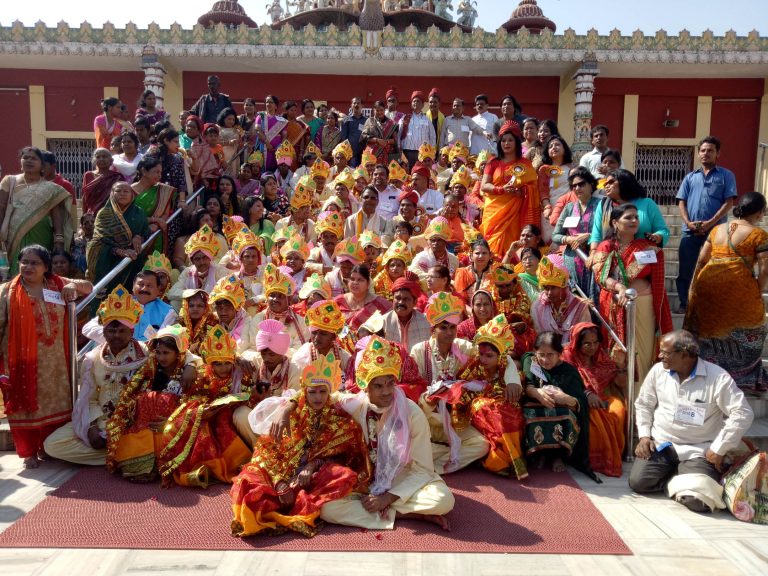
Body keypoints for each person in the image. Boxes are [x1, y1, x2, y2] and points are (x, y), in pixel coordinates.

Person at [318, 336, 455, 531]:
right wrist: (288, 407)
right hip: (365, 481)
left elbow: (423, 469)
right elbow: (320, 398)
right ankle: (409, 514)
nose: (386, 392)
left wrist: (386, 499)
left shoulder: (412, 413)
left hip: (404, 479)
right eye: (378, 386)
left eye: (390, 384)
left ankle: (382, 509)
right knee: (327, 509)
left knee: (443, 500)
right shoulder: (356, 405)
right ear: (366, 387)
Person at [231, 352, 370, 537]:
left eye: (322, 392)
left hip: (313, 480)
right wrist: (279, 483)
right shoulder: (291, 417)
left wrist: (313, 466)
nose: (318, 397)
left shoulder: (338, 420)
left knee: (343, 476)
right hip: (279, 475)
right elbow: (265, 452)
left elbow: (345, 458)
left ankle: (294, 502)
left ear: (329, 392)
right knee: (248, 480)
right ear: (304, 392)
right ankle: (282, 501)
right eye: (312, 392)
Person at [629, 330, 754, 513]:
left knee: (697, 502)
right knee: (638, 482)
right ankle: (680, 479)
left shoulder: (717, 377)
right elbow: (644, 404)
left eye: (666, 352)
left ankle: (687, 478)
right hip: (662, 444)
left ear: (685, 355)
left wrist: (719, 448)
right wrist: (644, 436)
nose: (660, 356)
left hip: (698, 450)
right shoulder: (658, 371)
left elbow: (742, 413)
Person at [0, 245, 92, 468]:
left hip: (56, 363)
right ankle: (29, 452)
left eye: (35, 263)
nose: (28, 267)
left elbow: (88, 287)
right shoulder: (6, 292)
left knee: (56, 405)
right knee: (25, 407)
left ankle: (48, 446)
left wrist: (72, 285)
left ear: (46, 267)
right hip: (22, 361)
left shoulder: (56, 283)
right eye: (24, 262)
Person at [43, 285, 147, 466]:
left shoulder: (146, 353)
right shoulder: (92, 359)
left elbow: (184, 355)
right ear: (104, 332)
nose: (116, 335)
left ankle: (121, 453)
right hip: (102, 420)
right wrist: (92, 427)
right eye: (111, 331)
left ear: (131, 332)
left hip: (135, 421)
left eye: (122, 331)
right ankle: (120, 455)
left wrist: (191, 366)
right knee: (52, 445)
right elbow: (89, 399)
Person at [685, 192, 768, 392]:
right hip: (738, 287)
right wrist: (758, 289)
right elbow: (765, 270)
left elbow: (702, 259)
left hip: (708, 283)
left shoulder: (717, 229)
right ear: (759, 212)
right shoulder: (759, 235)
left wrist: (694, 286)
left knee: (710, 329)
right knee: (753, 328)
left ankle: (708, 373)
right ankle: (740, 377)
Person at [157, 325, 253, 487]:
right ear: (210, 364)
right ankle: (209, 465)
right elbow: (191, 400)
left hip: (230, 418)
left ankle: (237, 461)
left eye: (227, 363)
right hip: (209, 417)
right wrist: (201, 411)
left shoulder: (240, 374)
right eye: (218, 364)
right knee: (204, 422)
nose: (223, 368)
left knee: (224, 418)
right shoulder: (202, 376)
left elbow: (248, 395)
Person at [592, 204, 673, 386]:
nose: (634, 220)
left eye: (636, 217)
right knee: (621, 352)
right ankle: (624, 398)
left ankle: (643, 395)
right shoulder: (606, 246)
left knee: (644, 350)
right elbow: (600, 276)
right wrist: (619, 287)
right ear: (615, 222)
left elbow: (656, 277)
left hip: (645, 305)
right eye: (628, 217)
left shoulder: (647, 247)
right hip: (616, 304)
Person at [106, 325, 200, 481]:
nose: (161, 357)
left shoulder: (191, 373)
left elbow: (196, 405)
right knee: (146, 399)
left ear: (178, 353)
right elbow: (129, 397)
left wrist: (173, 421)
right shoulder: (150, 369)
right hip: (148, 427)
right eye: (158, 352)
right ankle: (147, 460)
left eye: (166, 353)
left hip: (177, 427)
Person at [412, 292, 490, 473]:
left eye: (452, 327)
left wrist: (513, 381)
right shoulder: (419, 351)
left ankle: (434, 464)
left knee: (481, 445)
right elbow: (413, 390)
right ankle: (439, 454)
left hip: (455, 420)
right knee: (412, 448)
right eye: (443, 327)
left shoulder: (462, 347)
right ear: (433, 330)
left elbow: (493, 354)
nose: (449, 332)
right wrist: (430, 398)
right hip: (427, 420)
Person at [460, 314, 527, 478]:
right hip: (479, 405)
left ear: (500, 356)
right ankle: (498, 461)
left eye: (489, 356)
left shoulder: (506, 365)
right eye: (481, 354)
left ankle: (507, 459)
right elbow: (463, 386)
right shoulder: (474, 365)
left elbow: (515, 390)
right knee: (491, 413)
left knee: (511, 415)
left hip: (503, 403)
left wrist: (512, 387)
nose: (483, 359)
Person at [675, 136, 738, 314]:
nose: (706, 153)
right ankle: (685, 303)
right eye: (702, 150)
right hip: (690, 232)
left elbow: (729, 202)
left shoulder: (726, 176)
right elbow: (681, 202)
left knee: (712, 270)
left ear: (718, 154)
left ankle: (709, 305)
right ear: (698, 154)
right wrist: (688, 223)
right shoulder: (690, 178)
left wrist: (710, 222)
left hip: (715, 232)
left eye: (710, 150)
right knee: (686, 269)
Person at [522, 332, 595, 478]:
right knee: (527, 415)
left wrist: (565, 399)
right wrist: (537, 393)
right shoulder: (531, 361)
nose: (545, 360)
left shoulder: (569, 372)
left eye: (550, 355)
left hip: (562, 408)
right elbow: (528, 385)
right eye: (541, 354)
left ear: (560, 354)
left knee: (565, 416)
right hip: (536, 405)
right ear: (535, 352)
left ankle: (558, 456)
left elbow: (579, 402)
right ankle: (539, 453)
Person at [561, 322, 626, 478]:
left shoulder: (600, 356)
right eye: (587, 344)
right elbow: (566, 383)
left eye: (596, 342)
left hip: (601, 397)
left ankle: (616, 453)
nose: (592, 347)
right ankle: (595, 459)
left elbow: (620, 381)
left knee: (618, 408)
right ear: (577, 342)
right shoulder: (568, 356)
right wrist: (587, 395)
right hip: (577, 398)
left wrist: (620, 365)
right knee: (594, 417)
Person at [0, 146, 75, 276]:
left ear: (42, 165)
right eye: (25, 157)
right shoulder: (10, 181)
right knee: (15, 269)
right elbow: (1, 207)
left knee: (39, 267)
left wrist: (59, 239)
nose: (29, 160)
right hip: (12, 235)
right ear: (21, 162)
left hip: (42, 234)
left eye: (34, 158)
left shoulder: (51, 189)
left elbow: (56, 215)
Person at [479, 121, 539, 256]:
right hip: (494, 212)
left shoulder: (524, 163)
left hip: (515, 211)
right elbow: (484, 185)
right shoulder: (493, 162)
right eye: (503, 140)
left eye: (510, 140)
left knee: (512, 242)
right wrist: (502, 189)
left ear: (516, 142)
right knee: (491, 244)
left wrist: (522, 191)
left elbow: (533, 186)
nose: (506, 143)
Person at [86, 181, 150, 295]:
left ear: (132, 194)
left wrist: (139, 237)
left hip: (132, 261)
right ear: (112, 193)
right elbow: (100, 240)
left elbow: (146, 231)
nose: (122, 193)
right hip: (107, 260)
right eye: (118, 191)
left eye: (126, 191)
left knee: (129, 294)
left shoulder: (139, 213)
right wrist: (121, 252)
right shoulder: (104, 213)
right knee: (107, 297)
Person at [588, 169, 669, 253]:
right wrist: (593, 252)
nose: (606, 186)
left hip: (643, 255)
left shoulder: (647, 203)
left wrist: (657, 237)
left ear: (624, 181)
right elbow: (596, 234)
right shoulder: (603, 205)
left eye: (611, 182)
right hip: (610, 256)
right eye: (605, 183)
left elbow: (663, 230)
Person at [552, 167, 601, 302]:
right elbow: (556, 235)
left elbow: (609, 232)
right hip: (572, 260)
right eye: (574, 186)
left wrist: (589, 236)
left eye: (581, 184)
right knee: (574, 301)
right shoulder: (569, 207)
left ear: (591, 184)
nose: (577, 188)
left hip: (594, 258)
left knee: (594, 301)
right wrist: (569, 239)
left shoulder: (601, 205)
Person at [244, 263, 309, 351]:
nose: (275, 299)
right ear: (267, 298)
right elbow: (253, 346)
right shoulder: (258, 318)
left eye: (280, 296)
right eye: (272, 295)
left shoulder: (300, 321)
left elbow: (299, 350)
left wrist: (278, 355)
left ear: (288, 299)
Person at [289, 299, 351, 389]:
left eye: (323, 334)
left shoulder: (343, 357)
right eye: (314, 333)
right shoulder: (302, 356)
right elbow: (295, 389)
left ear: (333, 337)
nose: (317, 338)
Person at [531, 256, 590, 345]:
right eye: (546, 288)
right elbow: (538, 338)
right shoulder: (538, 307)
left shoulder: (580, 306)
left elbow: (585, 338)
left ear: (564, 287)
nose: (549, 293)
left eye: (553, 287)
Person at [131, 155, 176, 254]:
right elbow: (128, 217)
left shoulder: (163, 191)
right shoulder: (128, 191)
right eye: (156, 172)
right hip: (133, 234)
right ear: (144, 171)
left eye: (160, 172)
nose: (159, 175)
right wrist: (154, 220)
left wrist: (156, 224)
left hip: (154, 234)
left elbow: (165, 214)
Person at [334, 264, 392, 334]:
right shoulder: (338, 301)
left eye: (360, 280)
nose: (355, 283)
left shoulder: (379, 303)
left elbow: (393, 321)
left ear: (368, 283)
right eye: (352, 279)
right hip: (340, 339)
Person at [382, 276, 431, 349]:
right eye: (398, 298)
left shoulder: (427, 322)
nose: (401, 302)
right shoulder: (382, 322)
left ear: (415, 302)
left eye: (406, 299)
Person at [409, 217, 460, 282]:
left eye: (439, 240)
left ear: (445, 241)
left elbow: (457, 280)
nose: (435, 243)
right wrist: (436, 278)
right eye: (433, 240)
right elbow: (412, 272)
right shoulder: (421, 257)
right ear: (428, 241)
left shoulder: (454, 259)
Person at [399, 91, 435, 169]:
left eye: (418, 101)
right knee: (407, 172)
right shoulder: (405, 118)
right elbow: (398, 134)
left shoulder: (427, 120)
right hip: (407, 152)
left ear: (422, 105)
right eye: (414, 101)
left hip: (423, 153)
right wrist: (399, 150)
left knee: (421, 172)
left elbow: (432, 137)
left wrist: (431, 154)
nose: (415, 103)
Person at [82, 147, 123, 214]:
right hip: (92, 214)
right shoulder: (88, 175)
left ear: (111, 161)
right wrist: (84, 214)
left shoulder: (117, 177)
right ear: (94, 161)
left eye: (104, 156)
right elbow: (85, 197)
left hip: (111, 214)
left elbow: (121, 197)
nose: (101, 159)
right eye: (98, 157)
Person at [454, 238, 494, 303]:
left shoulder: (495, 272)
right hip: (467, 308)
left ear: (490, 256)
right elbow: (459, 299)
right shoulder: (463, 273)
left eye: (484, 253)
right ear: (471, 256)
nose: (481, 256)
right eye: (477, 253)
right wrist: (471, 309)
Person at [360, 100, 399, 165]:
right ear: (374, 110)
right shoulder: (370, 121)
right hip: (371, 154)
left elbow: (395, 140)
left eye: (381, 110)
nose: (379, 112)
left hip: (386, 155)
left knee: (383, 170)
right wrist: (377, 140)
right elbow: (363, 137)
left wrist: (386, 142)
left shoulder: (391, 123)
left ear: (384, 110)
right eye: (377, 110)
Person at [341, 96, 367, 167]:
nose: (356, 105)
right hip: (350, 153)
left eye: (358, 103)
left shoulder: (366, 120)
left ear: (362, 105)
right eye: (354, 103)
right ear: (351, 105)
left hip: (363, 153)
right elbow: (344, 138)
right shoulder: (346, 120)